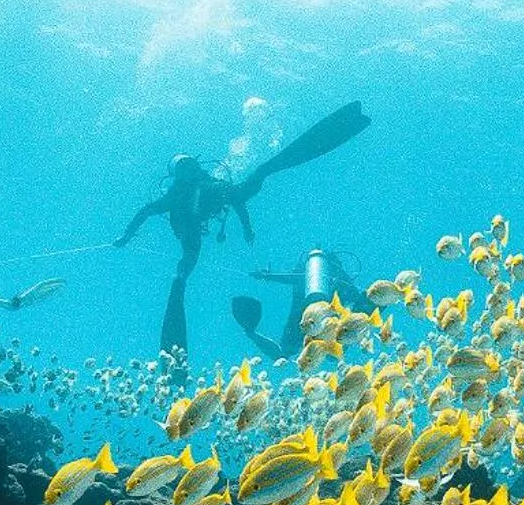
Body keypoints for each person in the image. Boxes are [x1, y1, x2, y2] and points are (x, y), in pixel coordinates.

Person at [114, 101, 369, 360]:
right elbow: (147, 211)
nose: (191, 170)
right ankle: (180, 277)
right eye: (185, 168)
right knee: (191, 255)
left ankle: (181, 277)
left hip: (211, 208)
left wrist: (247, 228)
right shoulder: (177, 196)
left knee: (259, 173)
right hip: (192, 223)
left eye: (191, 165)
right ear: (178, 175)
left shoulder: (207, 185)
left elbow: (234, 199)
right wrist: (126, 235)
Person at [233, 248, 365, 361]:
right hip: (325, 315)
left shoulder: (306, 272)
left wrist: (268, 276)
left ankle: (251, 333)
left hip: (302, 314)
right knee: (334, 353)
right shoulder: (336, 272)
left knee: (284, 354)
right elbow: (354, 296)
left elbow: (293, 278)